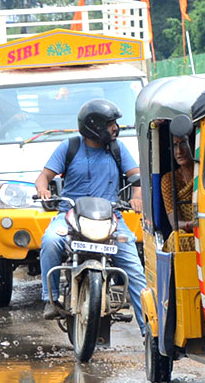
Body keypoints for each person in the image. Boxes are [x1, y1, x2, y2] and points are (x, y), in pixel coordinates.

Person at [36, 99, 146, 331]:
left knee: (134, 266)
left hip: (110, 217)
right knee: (51, 241)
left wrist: (137, 197)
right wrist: (43, 189)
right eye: (110, 124)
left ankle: (149, 329)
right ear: (94, 126)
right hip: (70, 215)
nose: (115, 128)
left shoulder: (117, 149)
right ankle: (51, 297)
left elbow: (136, 176)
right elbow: (43, 177)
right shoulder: (70, 147)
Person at [161, 119, 196, 251]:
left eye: (183, 144)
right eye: (175, 145)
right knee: (177, 237)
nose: (179, 152)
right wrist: (193, 225)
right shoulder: (169, 179)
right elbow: (175, 224)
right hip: (188, 233)